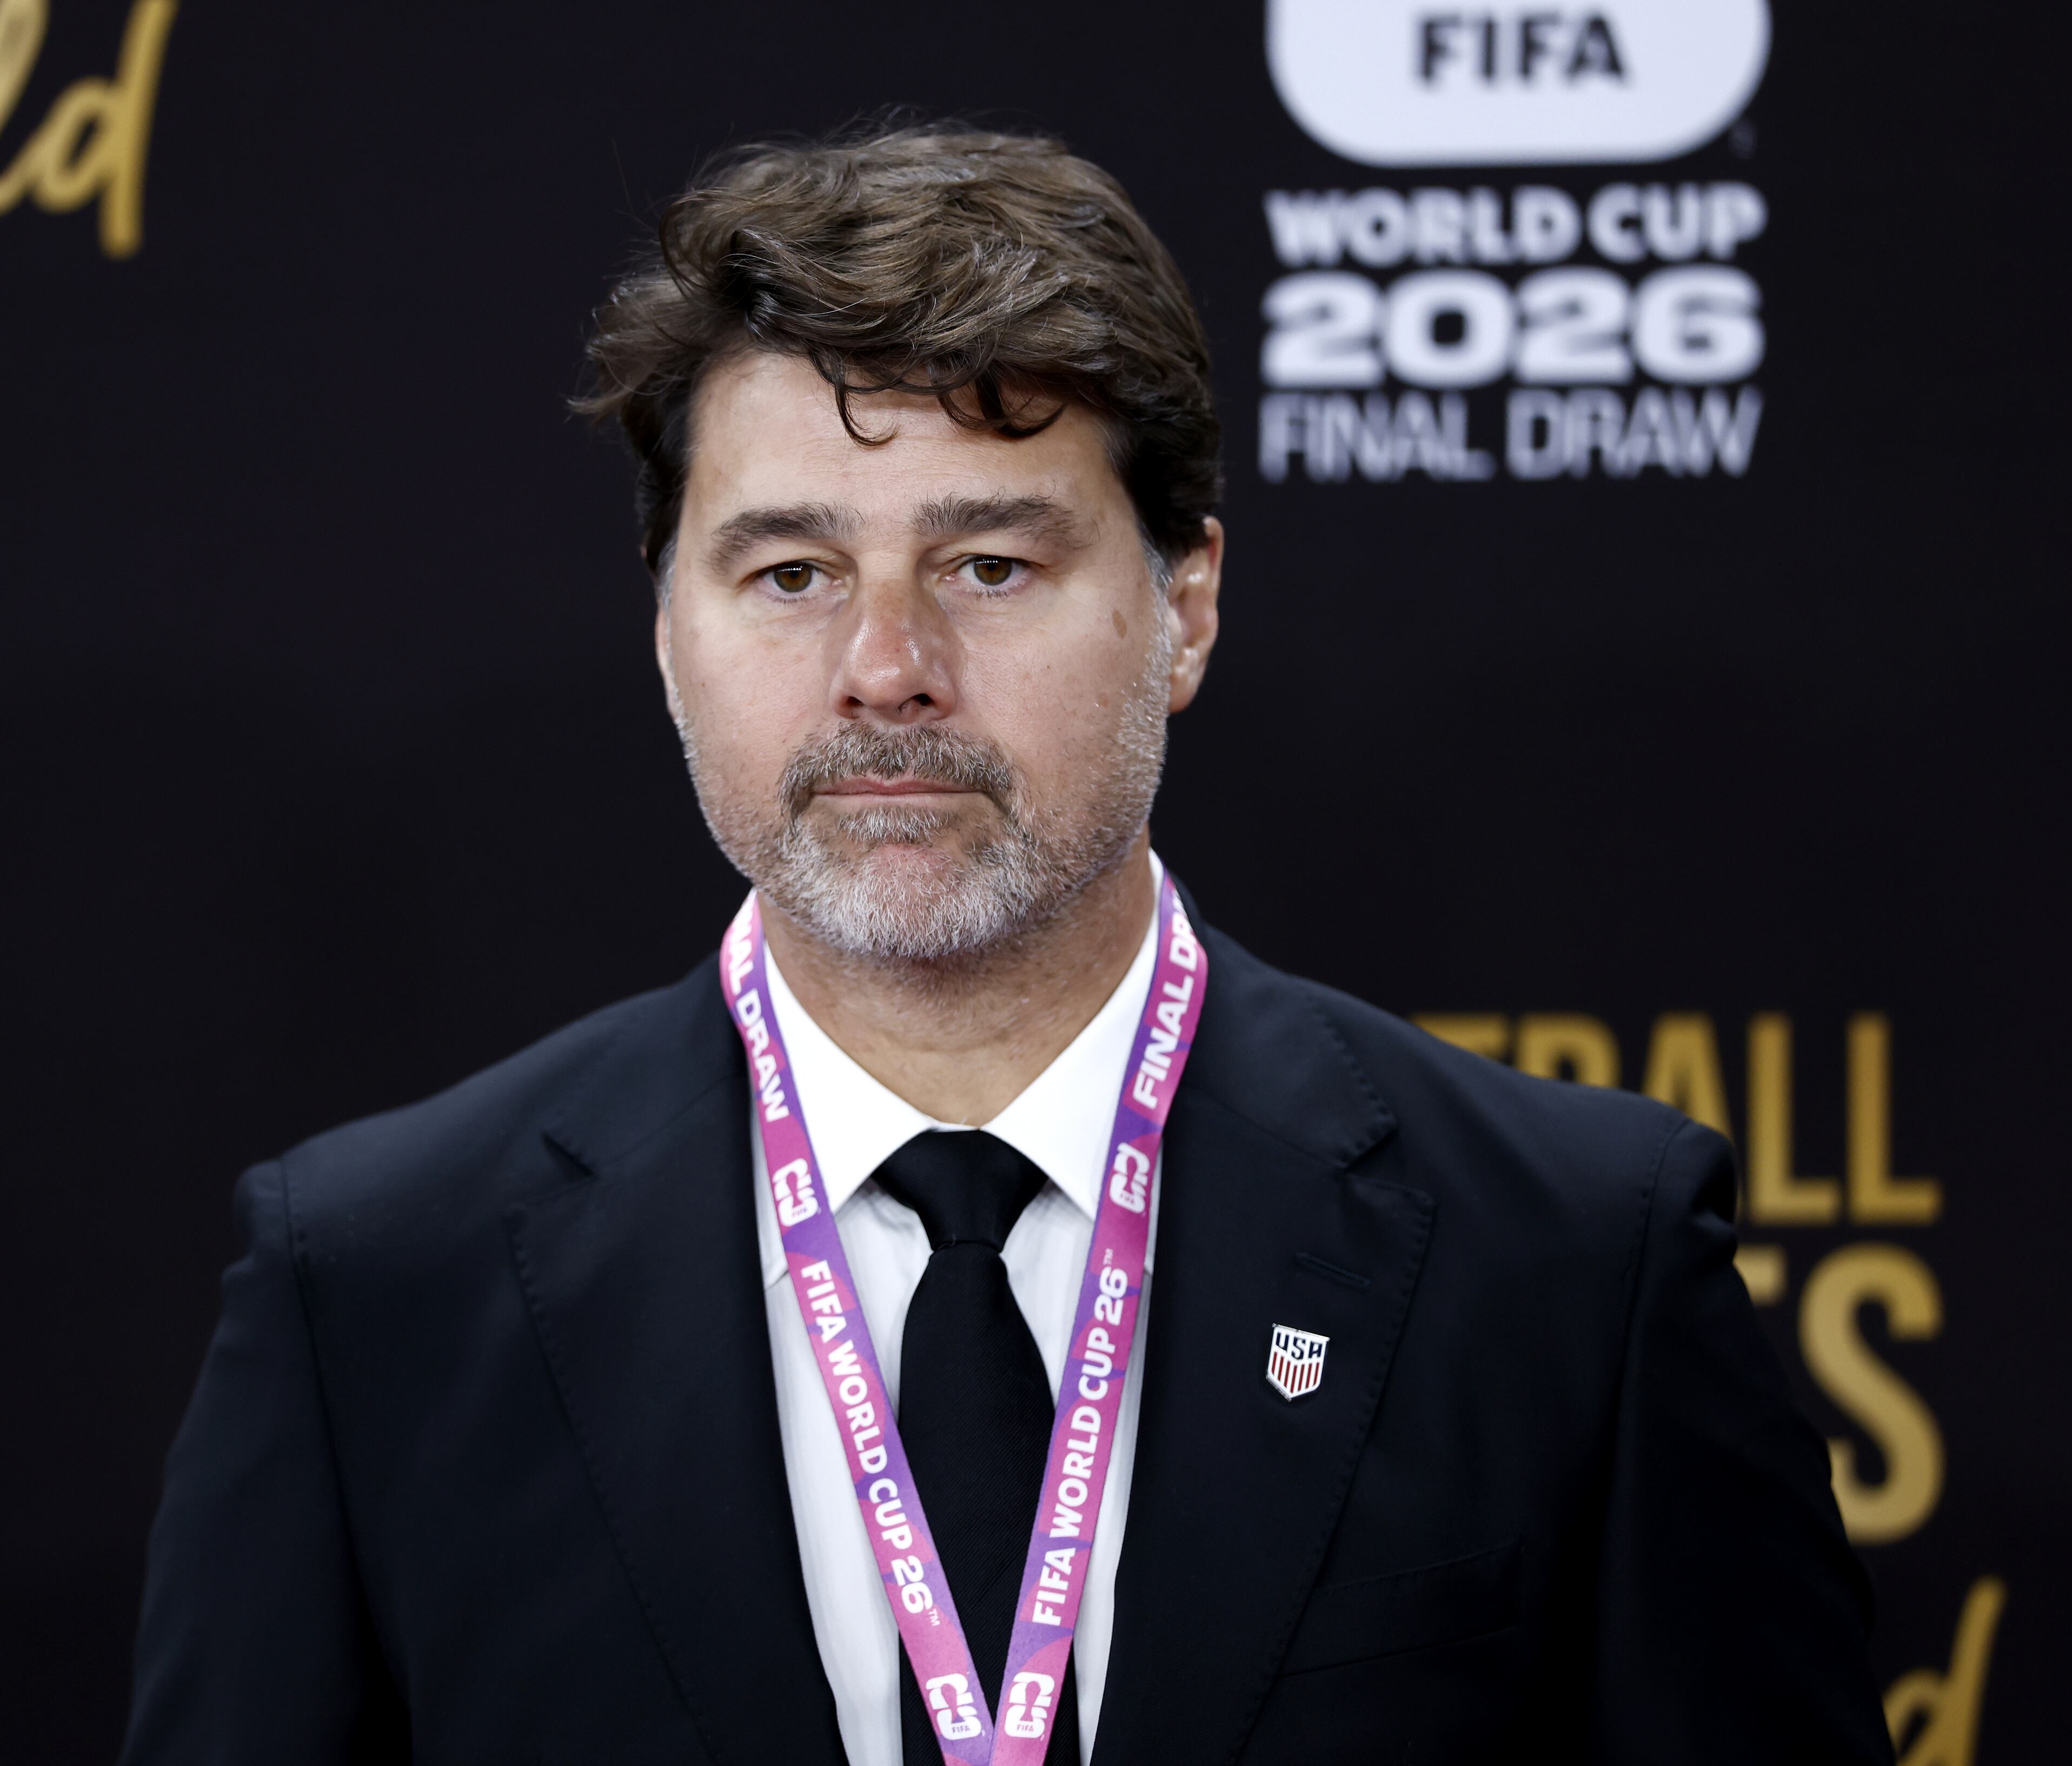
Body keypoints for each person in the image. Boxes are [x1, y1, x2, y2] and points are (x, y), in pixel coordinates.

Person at [118, 123, 1891, 1766]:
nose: (886, 670)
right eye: (791, 573)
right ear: (670, 635)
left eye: (987, 565)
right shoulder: (373, 1288)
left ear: (1183, 607)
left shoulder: (1575, 1260)